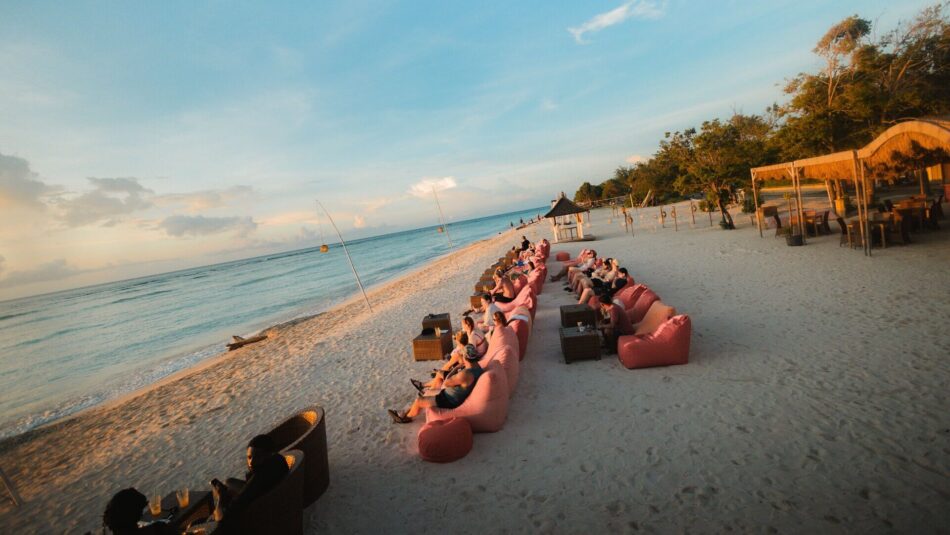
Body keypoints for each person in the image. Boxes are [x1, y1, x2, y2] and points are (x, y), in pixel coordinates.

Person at [389, 345, 484, 423]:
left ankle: (405, 418)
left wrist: (456, 368)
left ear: (465, 358)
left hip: (448, 400)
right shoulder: (478, 368)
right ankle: (404, 412)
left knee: (419, 401)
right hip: (451, 395)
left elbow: (447, 382)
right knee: (425, 394)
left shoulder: (465, 374)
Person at [211, 435, 289, 524]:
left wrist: (221, 496)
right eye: (249, 457)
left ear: (268, 454)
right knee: (229, 482)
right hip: (271, 502)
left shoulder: (259, 478)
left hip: (261, 516)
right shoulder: (278, 460)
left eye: (257, 456)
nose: (251, 462)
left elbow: (223, 518)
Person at [102, 488, 167, 534]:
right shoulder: (155, 529)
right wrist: (158, 528)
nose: (141, 515)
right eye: (140, 511)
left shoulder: (119, 530)